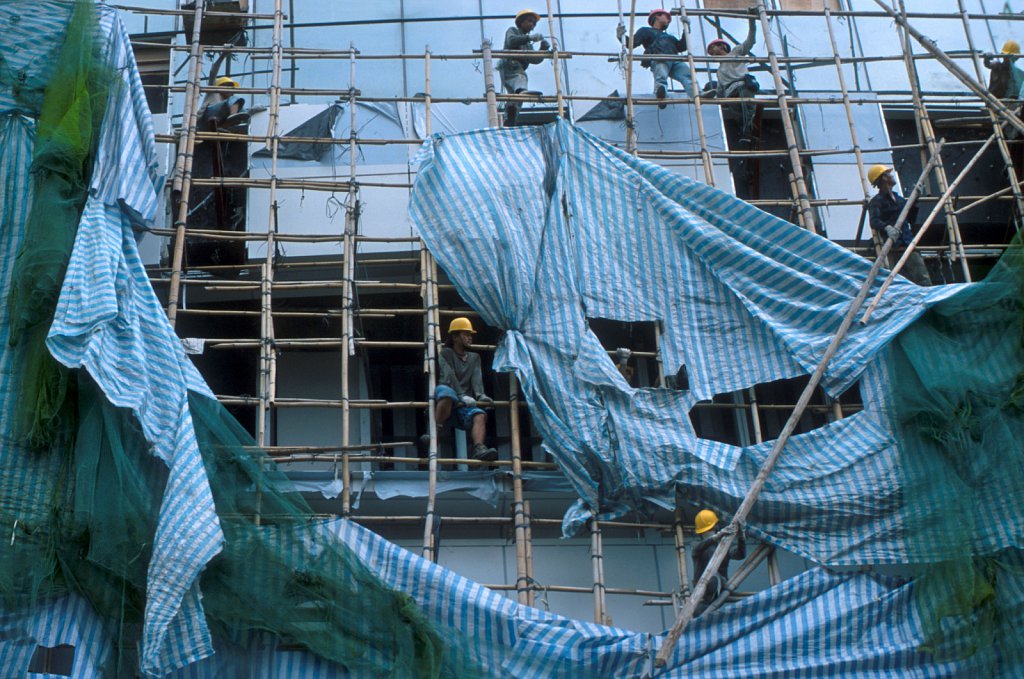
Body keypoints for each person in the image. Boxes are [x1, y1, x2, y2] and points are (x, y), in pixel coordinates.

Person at [421, 317, 498, 462]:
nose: (470, 337)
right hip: (447, 394)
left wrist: (481, 396)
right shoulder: (446, 353)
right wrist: (461, 395)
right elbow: (449, 375)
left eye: (470, 335)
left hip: (464, 404)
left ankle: (479, 448)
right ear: (455, 337)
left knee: (479, 415)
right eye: (466, 334)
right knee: (447, 394)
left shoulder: (474, 358)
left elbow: (476, 378)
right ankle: (434, 433)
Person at [867, 164, 932, 286]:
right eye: (889, 174)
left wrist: (915, 199)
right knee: (894, 280)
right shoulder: (877, 201)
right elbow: (874, 221)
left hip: (907, 242)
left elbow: (910, 218)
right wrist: (887, 227)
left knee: (922, 277)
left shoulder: (899, 199)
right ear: (884, 178)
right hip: (891, 246)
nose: (892, 176)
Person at [618, 8, 695, 107]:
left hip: (675, 60)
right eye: (666, 17)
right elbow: (631, 43)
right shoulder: (646, 31)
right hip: (659, 57)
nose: (668, 20)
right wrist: (621, 36)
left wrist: (686, 29)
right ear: (657, 16)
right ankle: (661, 95)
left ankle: (697, 94)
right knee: (661, 77)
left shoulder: (670, 37)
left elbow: (682, 46)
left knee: (688, 75)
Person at [707, 10, 759, 142]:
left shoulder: (736, 52)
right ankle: (747, 136)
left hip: (743, 86)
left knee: (747, 111)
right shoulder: (719, 71)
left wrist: (752, 20)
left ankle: (748, 135)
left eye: (712, 49)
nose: (711, 53)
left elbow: (750, 40)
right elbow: (720, 90)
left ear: (721, 46)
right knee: (739, 116)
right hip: (730, 93)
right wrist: (710, 95)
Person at [691, 509, 746, 616]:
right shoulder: (697, 545)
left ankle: (714, 589)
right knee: (701, 610)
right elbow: (697, 548)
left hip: (721, 586)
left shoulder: (724, 545)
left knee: (715, 581)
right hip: (703, 588)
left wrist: (741, 536)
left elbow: (740, 555)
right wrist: (716, 537)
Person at [500, 9, 550, 124]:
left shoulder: (528, 45)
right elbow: (511, 41)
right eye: (529, 21)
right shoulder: (513, 31)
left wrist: (542, 49)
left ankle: (511, 115)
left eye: (533, 23)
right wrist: (530, 38)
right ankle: (520, 93)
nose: (532, 24)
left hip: (516, 69)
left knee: (516, 96)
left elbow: (534, 59)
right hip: (510, 65)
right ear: (521, 22)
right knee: (521, 78)